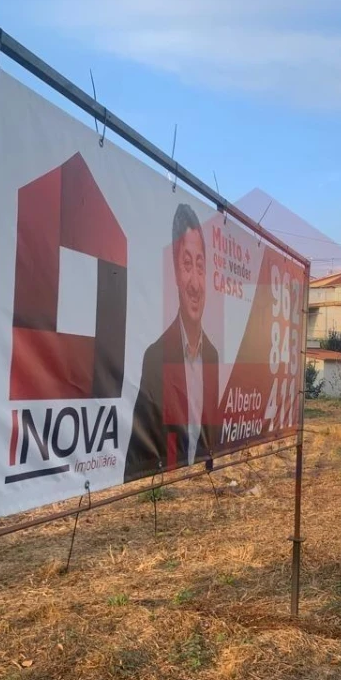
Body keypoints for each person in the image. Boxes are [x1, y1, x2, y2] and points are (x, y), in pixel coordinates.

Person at [125, 203, 219, 483]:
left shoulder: (212, 356)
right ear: (176, 275)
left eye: (200, 266)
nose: (194, 282)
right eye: (186, 264)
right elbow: (137, 461)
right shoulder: (155, 358)